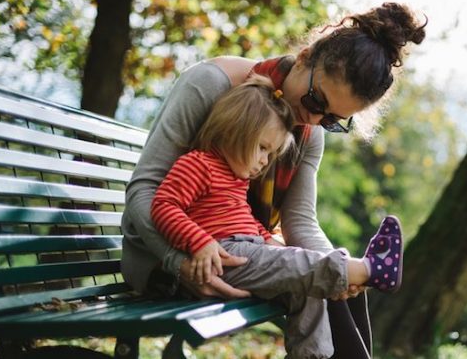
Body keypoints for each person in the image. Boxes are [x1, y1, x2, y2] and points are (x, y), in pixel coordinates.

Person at [121, 2, 426, 358]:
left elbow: (299, 221)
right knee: (328, 276)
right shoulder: (212, 86)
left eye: (332, 120)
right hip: (165, 258)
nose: (313, 120)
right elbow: (145, 192)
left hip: (244, 254)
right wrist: (179, 263)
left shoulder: (308, 134)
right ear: (304, 57)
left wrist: (335, 268)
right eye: (316, 100)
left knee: (336, 288)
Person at [149, 75, 404, 357]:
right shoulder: (197, 164)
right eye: (262, 148)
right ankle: (367, 269)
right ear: (234, 131)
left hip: (246, 252)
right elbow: (164, 205)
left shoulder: (235, 178)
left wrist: (268, 240)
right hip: (223, 257)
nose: (263, 161)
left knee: (307, 287)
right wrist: (199, 242)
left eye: (269, 154)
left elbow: (244, 220)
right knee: (301, 264)